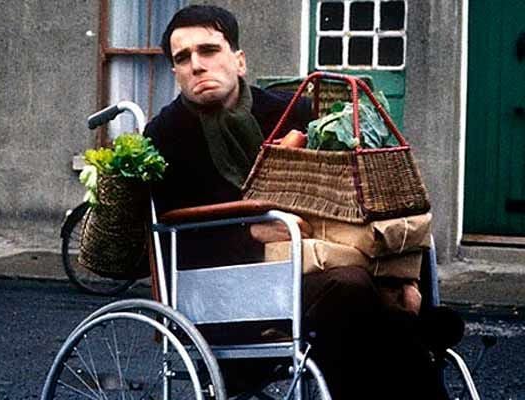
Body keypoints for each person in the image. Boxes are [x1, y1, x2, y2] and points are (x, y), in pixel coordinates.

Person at [145, 5, 459, 399]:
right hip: (228, 288)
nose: (196, 65)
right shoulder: (165, 135)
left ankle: (408, 321)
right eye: (182, 58)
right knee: (351, 288)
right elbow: (173, 239)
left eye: (208, 50)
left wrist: (405, 280)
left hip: (312, 260)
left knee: (393, 241)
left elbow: (349, 191)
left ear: (239, 61)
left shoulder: (291, 111)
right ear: (175, 72)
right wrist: (251, 231)